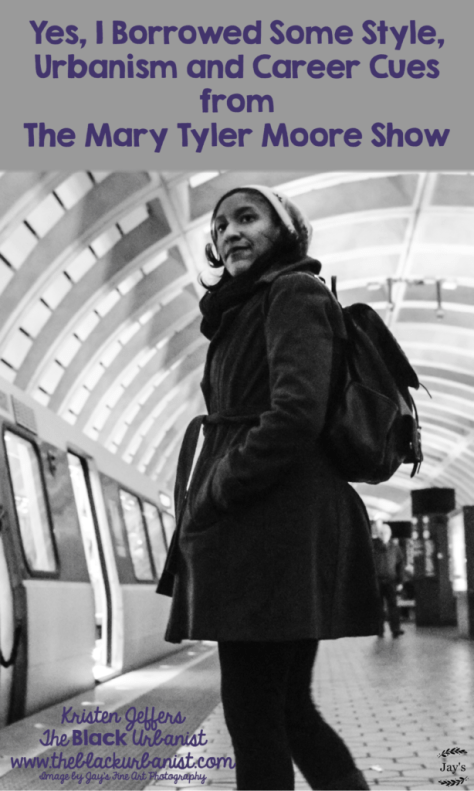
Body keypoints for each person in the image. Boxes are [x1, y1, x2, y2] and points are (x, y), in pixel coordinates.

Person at [159, 184, 379, 790]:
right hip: (270, 520)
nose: (230, 231)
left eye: (247, 217)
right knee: (284, 708)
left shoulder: (291, 291)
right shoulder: (247, 307)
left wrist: (219, 488)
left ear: (283, 231)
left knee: (255, 713)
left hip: (272, 523)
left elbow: (296, 413)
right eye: (220, 224)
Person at [372, 522, 405, 638]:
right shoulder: (373, 547)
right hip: (377, 581)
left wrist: (400, 581)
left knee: (393, 606)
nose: (384, 534)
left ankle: (395, 629)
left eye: (386, 532)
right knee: (378, 607)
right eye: (382, 533)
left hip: (391, 581)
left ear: (389, 534)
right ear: (379, 534)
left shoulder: (395, 548)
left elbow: (400, 565)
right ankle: (379, 630)